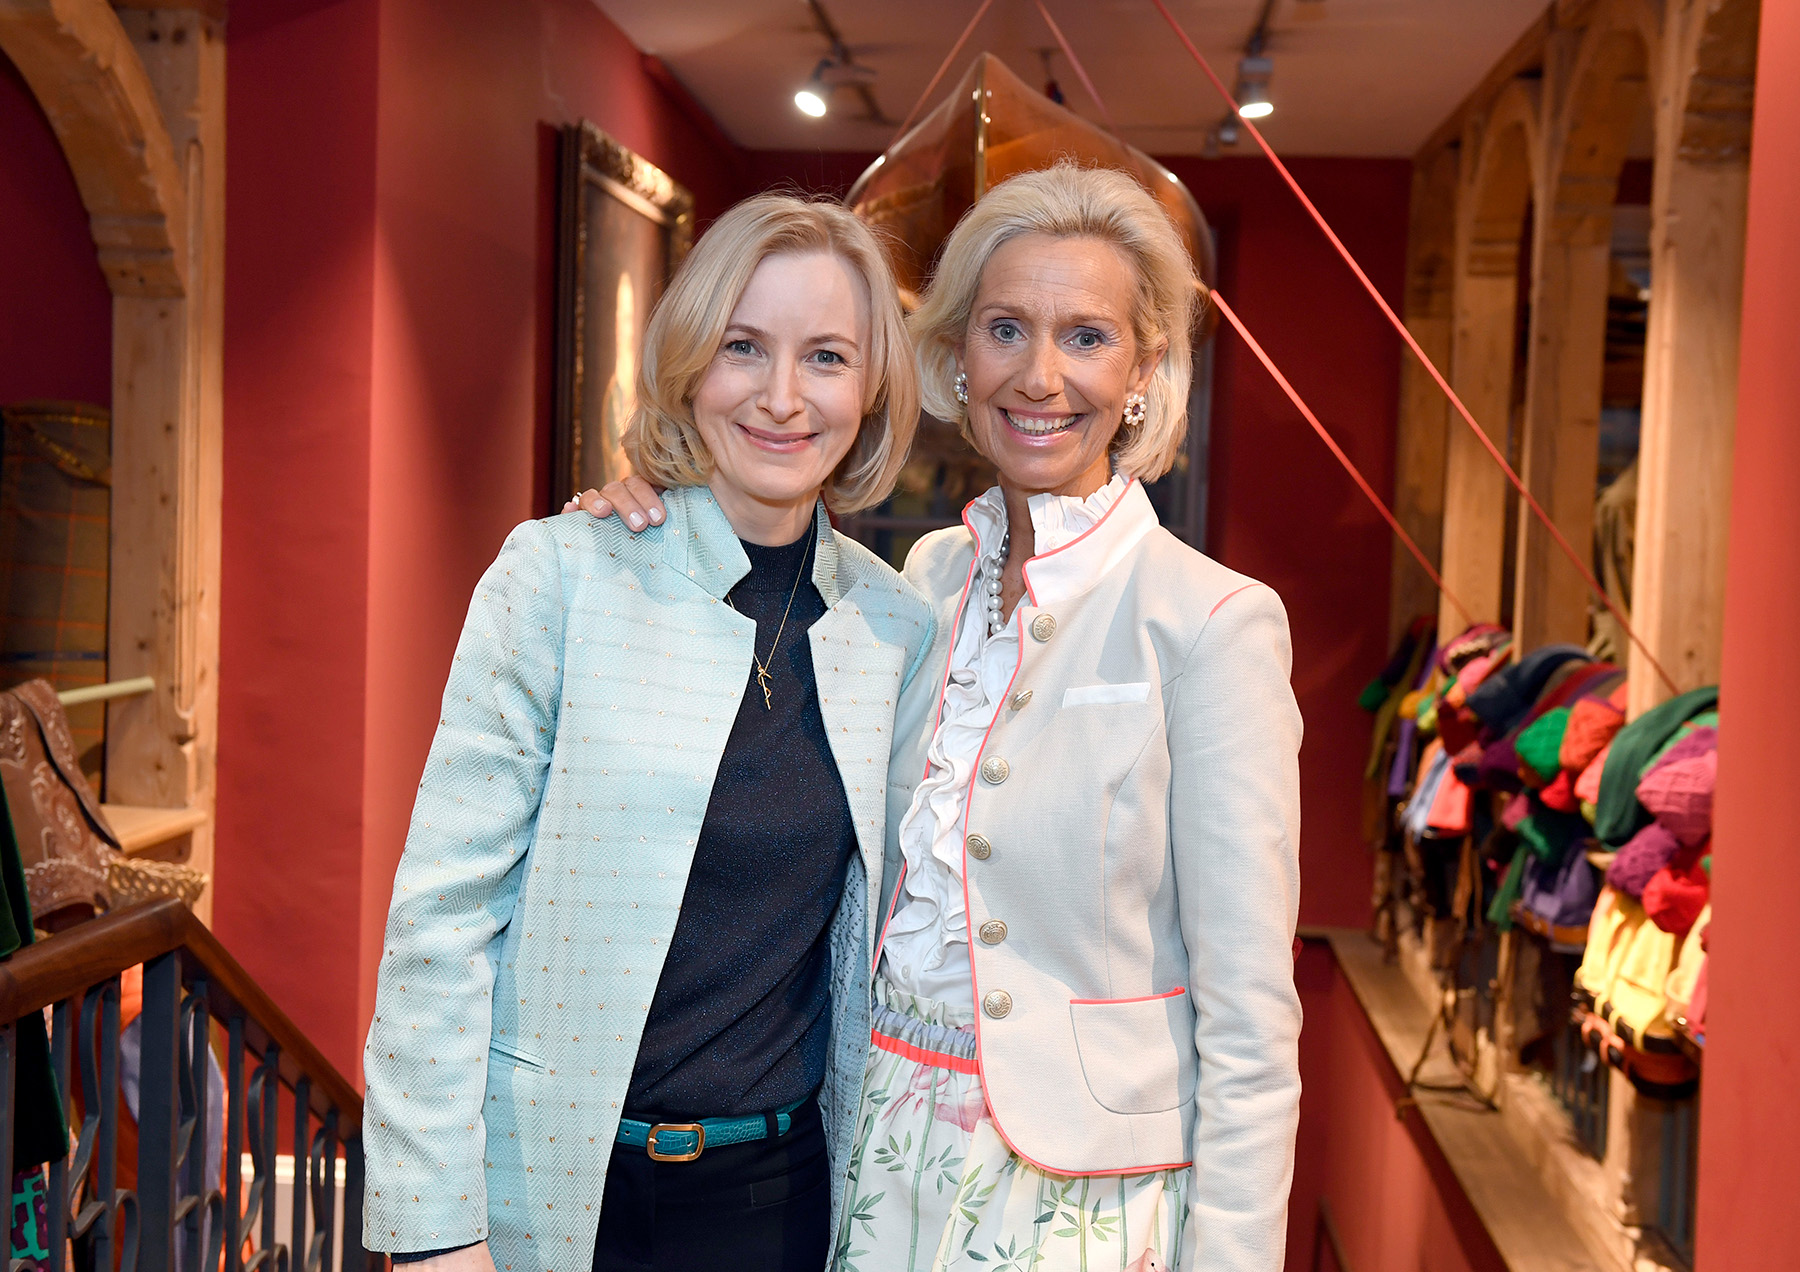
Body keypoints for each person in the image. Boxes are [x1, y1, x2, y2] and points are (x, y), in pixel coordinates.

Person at [575, 163, 1304, 1272]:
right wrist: (646, 514)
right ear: (959, 357)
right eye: (1006, 329)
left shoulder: (1212, 622)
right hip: (872, 1148)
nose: (1040, 376)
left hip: (1083, 1197)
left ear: (1145, 368)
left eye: (1088, 337)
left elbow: (1251, 1021)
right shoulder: (923, 582)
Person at [361, 192, 937, 1272]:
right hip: (550, 1185)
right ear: (689, 361)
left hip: (774, 1202)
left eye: (825, 357)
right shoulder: (562, 575)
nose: (781, 396)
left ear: (871, 390)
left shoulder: (895, 626)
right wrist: (434, 1230)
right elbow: (441, 921)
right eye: (743, 347)